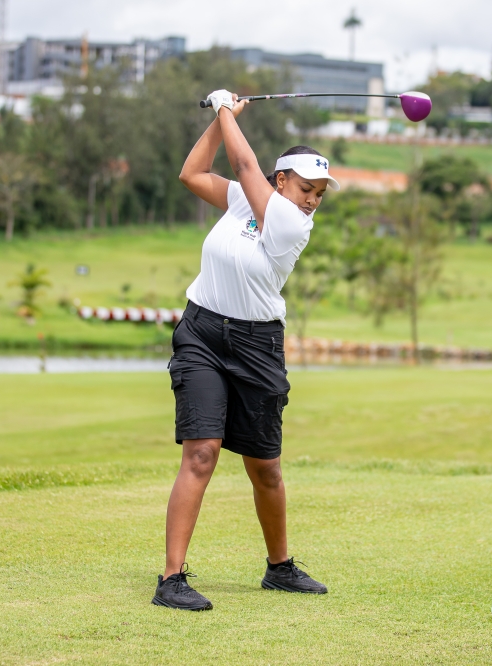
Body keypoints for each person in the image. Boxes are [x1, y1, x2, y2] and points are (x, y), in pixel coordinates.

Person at [151, 89, 339, 611]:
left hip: (257, 346)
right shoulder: (244, 201)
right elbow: (193, 173)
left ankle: (279, 568)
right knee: (202, 452)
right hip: (202, 333)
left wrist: (224, 109)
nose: (312, 200)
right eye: (306, 188)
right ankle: (171, 579)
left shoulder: (290, 224)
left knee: (266, 468)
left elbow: (244, 160)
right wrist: (220, 120)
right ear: (283, 180)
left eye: (320, 193)